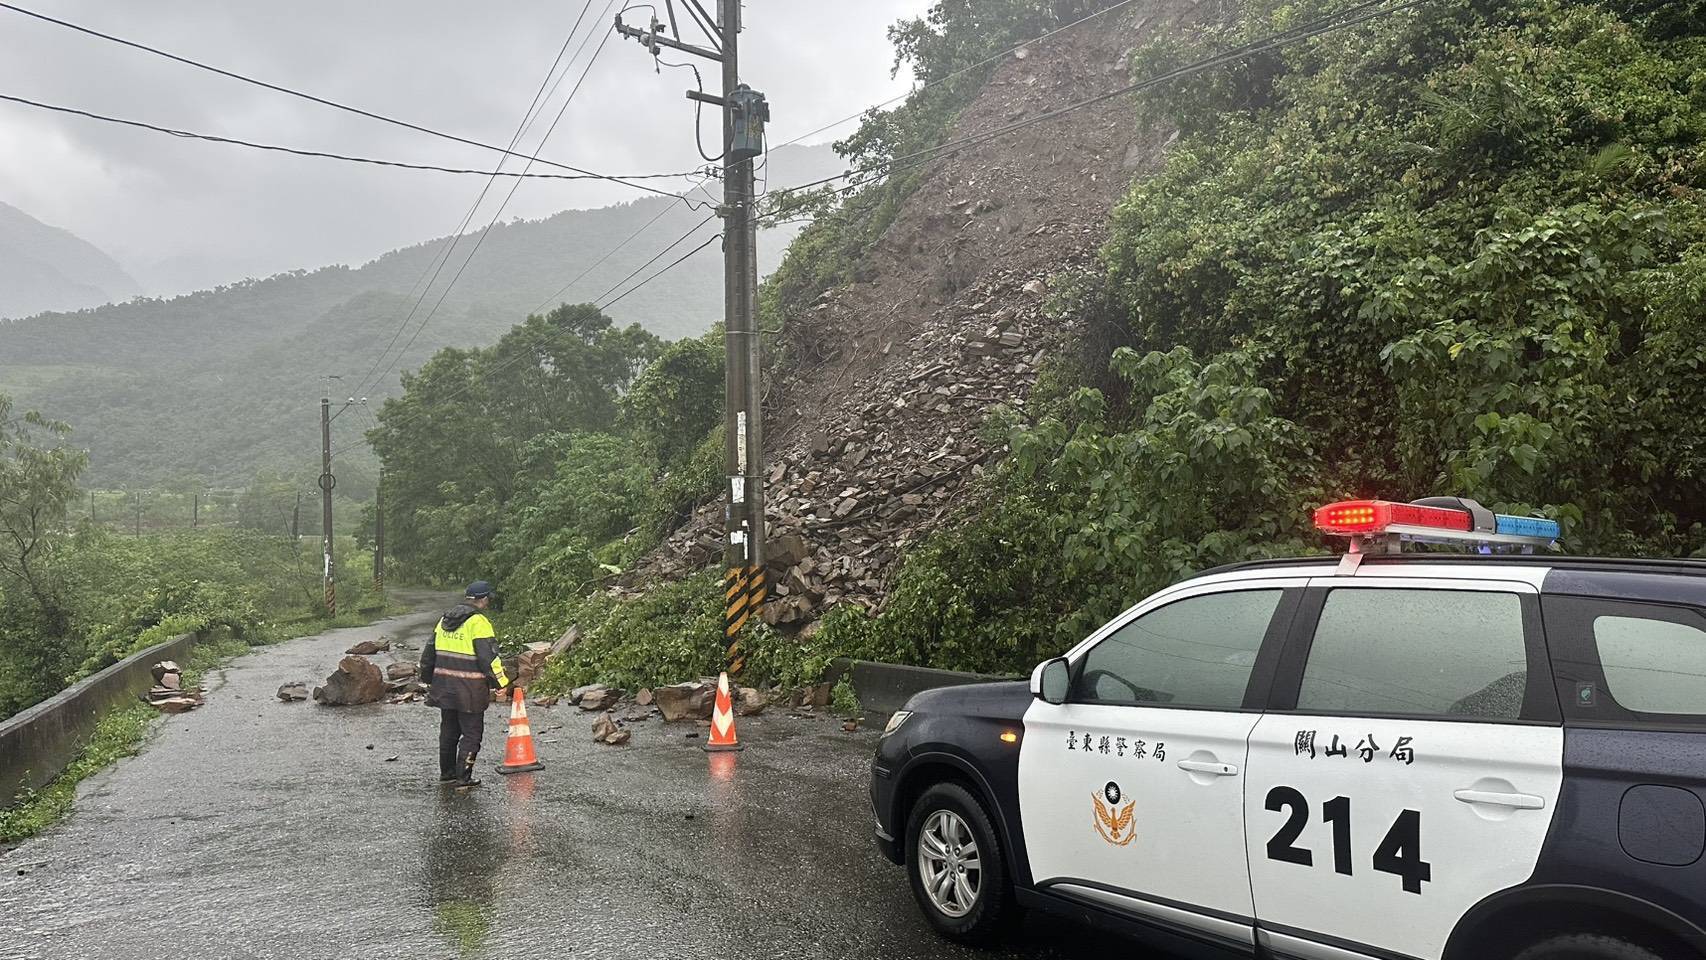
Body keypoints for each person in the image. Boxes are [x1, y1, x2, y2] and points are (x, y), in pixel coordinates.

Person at [420, 581, 510, 789]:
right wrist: (500, 683)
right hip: (470, 690)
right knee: (471, 733)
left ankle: (447, 774)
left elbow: (429, 653)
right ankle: (463, 777)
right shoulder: (478, 622)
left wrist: (427, 679)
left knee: (449, 730)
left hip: (444, 686)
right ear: (484, 599)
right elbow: (488, 658)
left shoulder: (444, 620)